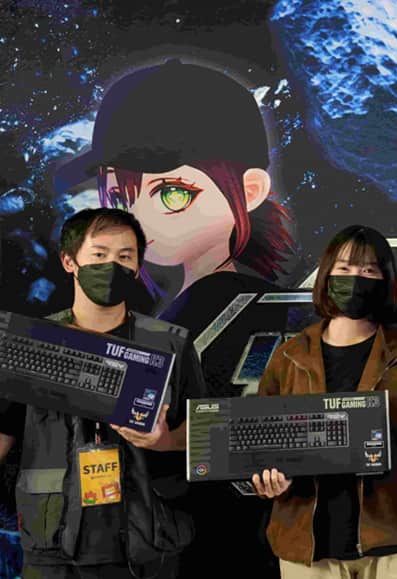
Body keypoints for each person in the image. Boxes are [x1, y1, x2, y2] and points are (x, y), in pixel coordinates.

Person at [54, 59, 297, 577]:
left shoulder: (249, 308)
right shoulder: (151, 306)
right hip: (146, 534)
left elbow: (258, 429)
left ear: (250, 191)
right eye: (121, 192)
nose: (138, 216)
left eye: (172, 193)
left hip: (219, 539)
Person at [0, 208, 205, 578]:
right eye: (99, 254)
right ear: (69, 261)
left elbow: (203, 432)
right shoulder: (31, 345)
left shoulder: (170, 345)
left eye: (125, 256)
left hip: (149, 541)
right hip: (53, 543)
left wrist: (163, 441)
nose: (112, 265)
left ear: (138, 267)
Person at [250, 225, 397, 578]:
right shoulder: (289, 357)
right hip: (307, 546)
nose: (356, 279)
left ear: (386, 280)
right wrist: (269, 481)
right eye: (344, 268)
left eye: (369, 270)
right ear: (326, 275)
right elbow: (261, 447)